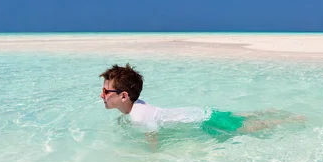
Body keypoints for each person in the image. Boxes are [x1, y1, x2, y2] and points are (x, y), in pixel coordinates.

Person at [99, 63, 304, 150]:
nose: (102, 95)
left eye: (106, 92)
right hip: (200, 113)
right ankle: (267, 112)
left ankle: (284, 120)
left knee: (247, 128)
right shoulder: (137, 107)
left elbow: (153, 141)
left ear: (124, 96)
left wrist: (151, 157)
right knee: (237, 117)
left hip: (204, 119)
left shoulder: (138, 116)